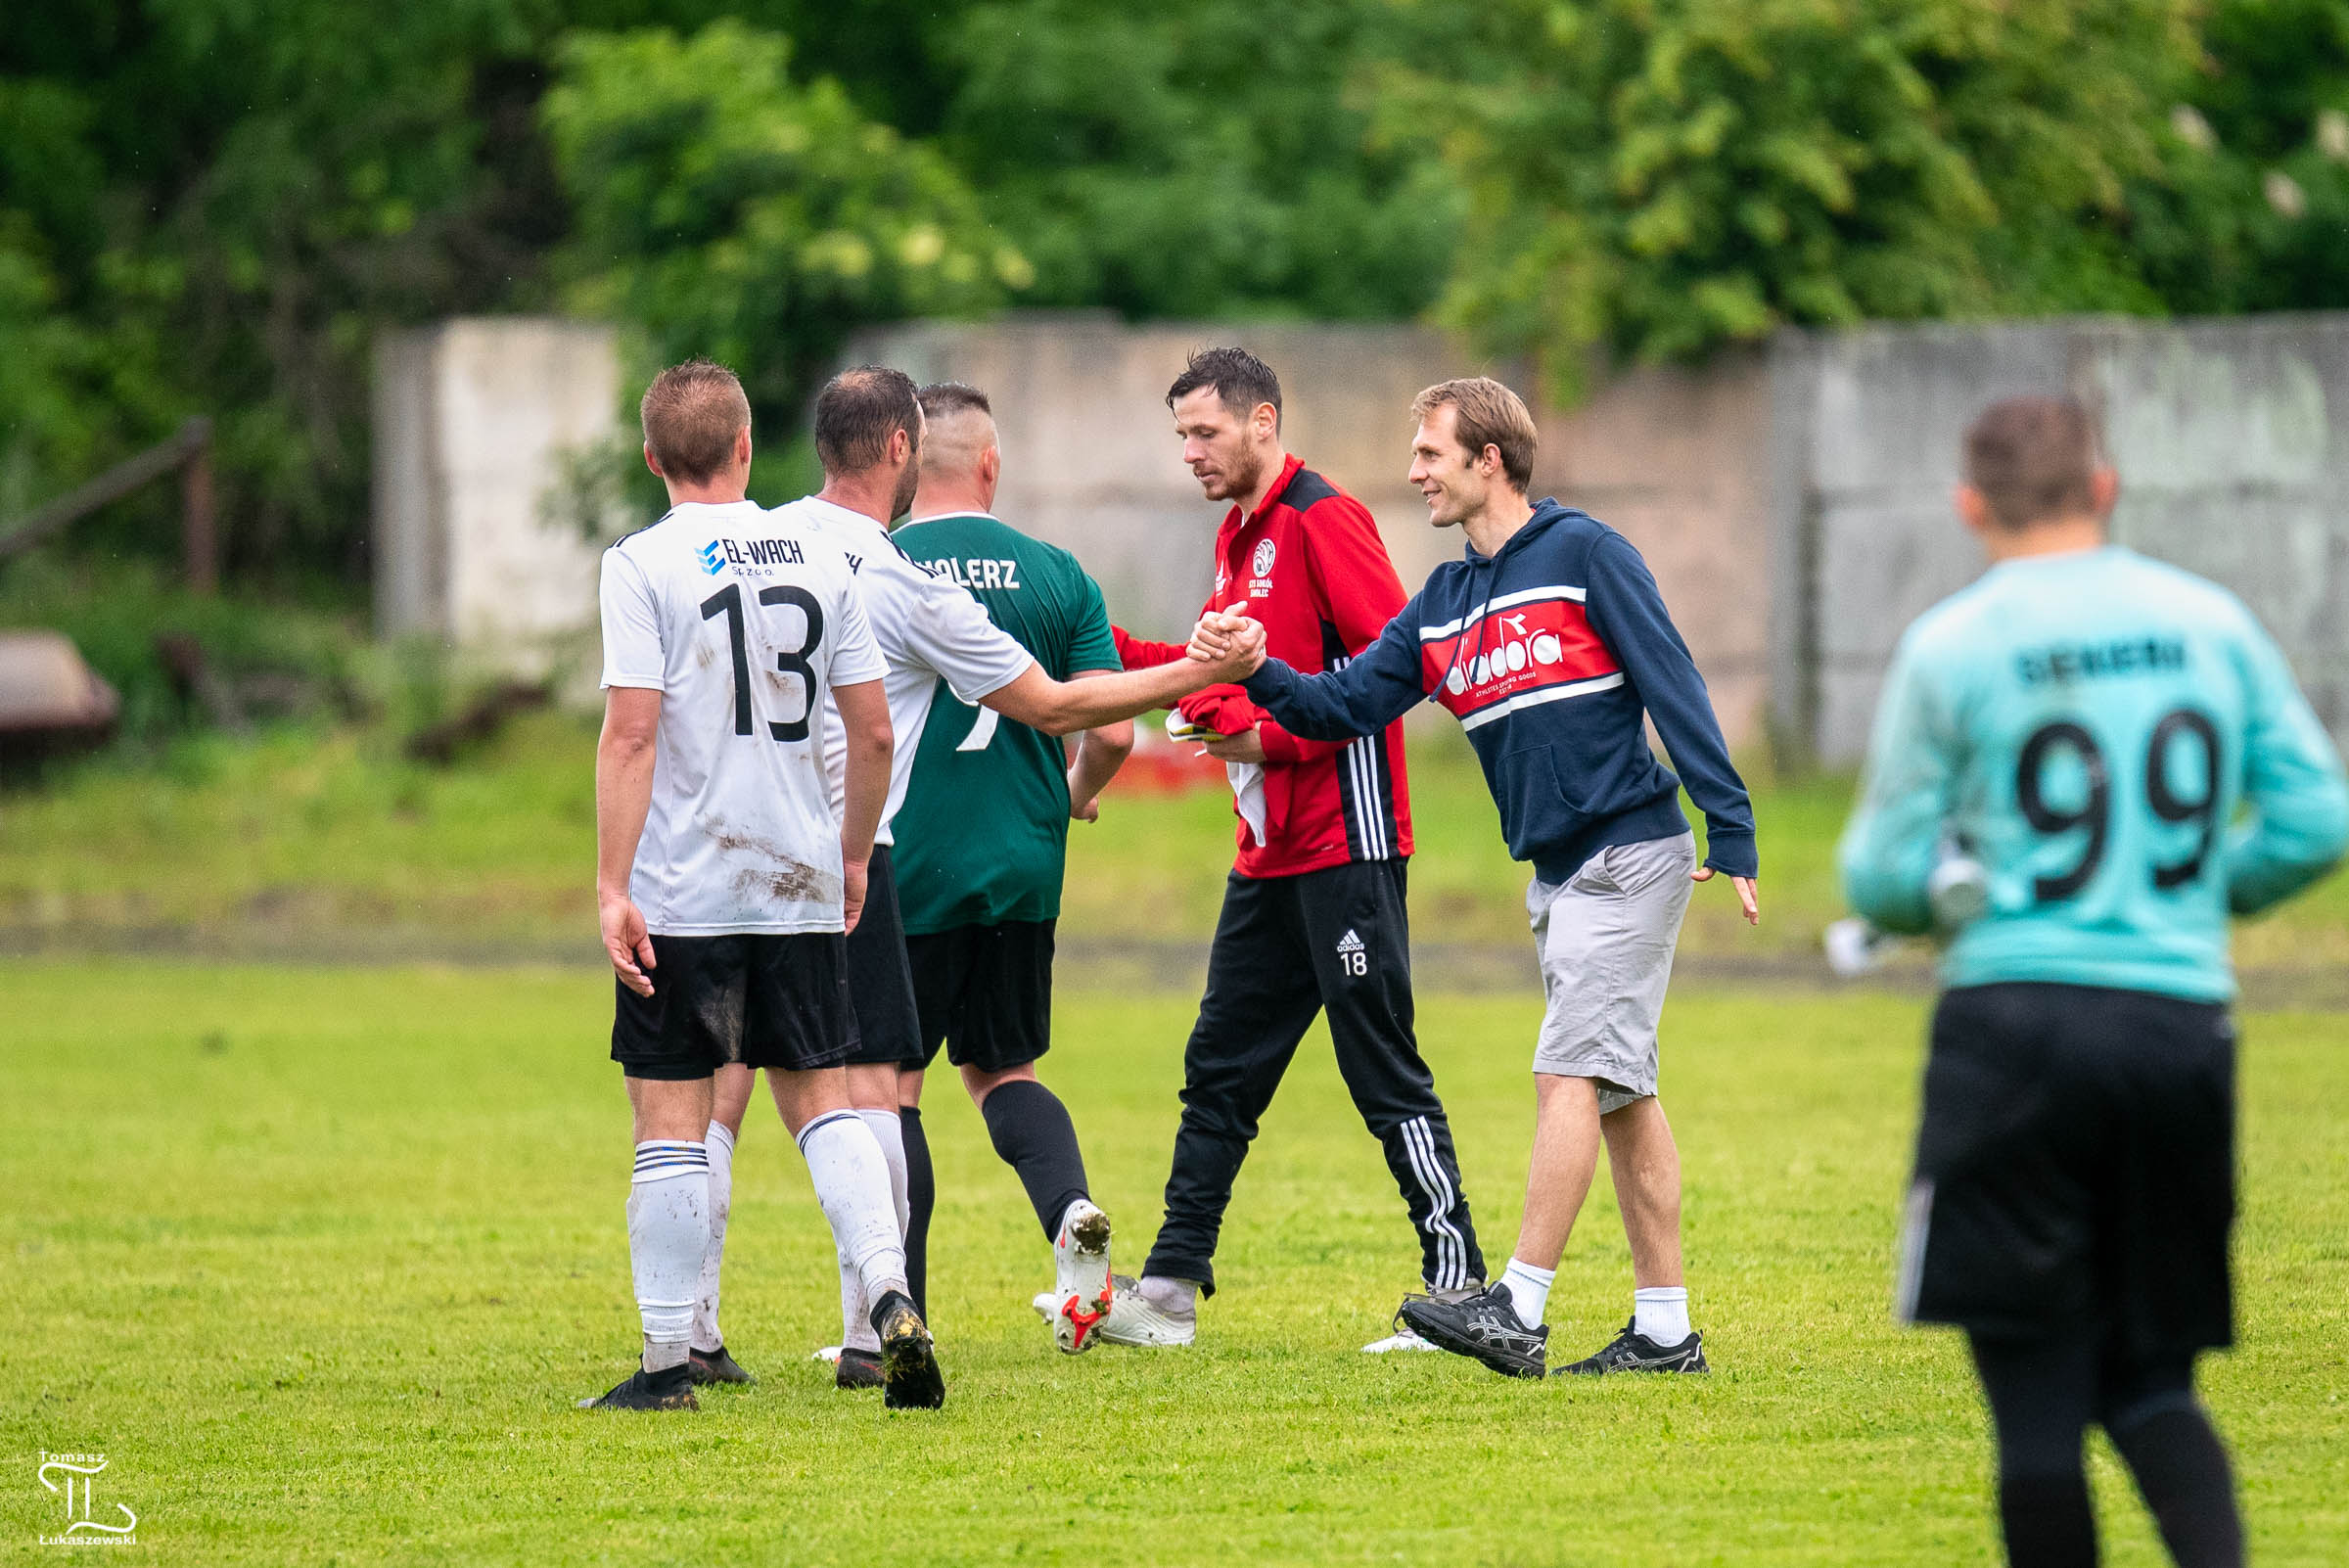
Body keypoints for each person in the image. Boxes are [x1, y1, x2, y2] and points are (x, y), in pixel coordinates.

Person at [1838, 394, 2348, 1568]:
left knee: (2035, 1413)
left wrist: (1944, 892)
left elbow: (1877, 875)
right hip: (2176, 1028)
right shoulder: (2210, 623)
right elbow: (2319, 818)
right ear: (2106, 487)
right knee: (2153, 1383)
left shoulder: (1953, 644)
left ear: (1971, 506)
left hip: (2012, 1028)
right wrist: (2201, 894)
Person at [689, 366, 1253, 1389]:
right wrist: (1198, 675)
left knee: (735, 1088)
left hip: (735, 848)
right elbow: (1071, 713)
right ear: (924, 453)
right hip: (937, 858)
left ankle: (696, 1334)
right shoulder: (949, 574)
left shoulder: (760, 541)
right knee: (962, 1077)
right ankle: (923, 1294)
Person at [1197, 375, 1760, 1378]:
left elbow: (1672, 680)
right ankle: (1666, 1333)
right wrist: (1258, 670)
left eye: (1430, 451)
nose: (1414, 470)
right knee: (1621, 1091)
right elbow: (1343, 705)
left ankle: (1518, 1307)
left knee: (1568, 1072)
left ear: (1487, 459)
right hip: (1559, 877)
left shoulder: (1586, 555)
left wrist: (1732, 822)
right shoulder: (1444, 603)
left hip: (1628, 855)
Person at [1107, 346, 1487, 1353]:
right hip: (1269, 853)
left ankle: (1458, 1288)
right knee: (1218, 1066)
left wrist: (1267, 738)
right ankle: (1171, 1288)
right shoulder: (1237, 536)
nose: (1190, 452)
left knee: (1380, 1068)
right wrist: (1098, 646)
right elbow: (1211, 674)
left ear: (1262, 422)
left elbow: (1395, 672)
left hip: (1348, 844)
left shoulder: (1324, 518)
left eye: (1206, 432)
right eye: (1182, 435)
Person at [586, 358, 942, 1411]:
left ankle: (666, 1363)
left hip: (686, 886)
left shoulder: (640, 562)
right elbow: (872, 732)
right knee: (825, 1103)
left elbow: (632, 733)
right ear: (747, 447)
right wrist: (850, 853)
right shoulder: (825, 558)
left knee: (672, 1116)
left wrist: (611, 886)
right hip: (797, 877)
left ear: (652, 458)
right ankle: (889, 1295)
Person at [887, 382, 1136, 1354]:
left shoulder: (880, 563)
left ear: (907, 464)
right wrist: (1073, 793)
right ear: (990, 465)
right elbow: (1113, 730)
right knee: (1003, 1070)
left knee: (890, 1088)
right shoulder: (1057, 573)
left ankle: (895, 1313)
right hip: (1024, 861)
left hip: (909, 863)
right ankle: (1071, 1211)